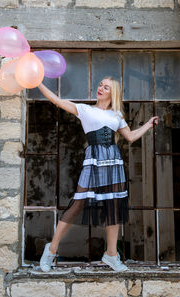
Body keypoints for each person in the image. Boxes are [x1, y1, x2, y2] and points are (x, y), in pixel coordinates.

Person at [37, 76, 159, 272]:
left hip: (113, 161)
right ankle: (50, 250)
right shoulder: (85, 110)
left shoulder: (117, 115)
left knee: (113, 205)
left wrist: (148, 124)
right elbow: (57, 101)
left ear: (113, 93)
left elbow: (130, 137)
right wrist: (38, 82)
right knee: (77, 204)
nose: (100, 88)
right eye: (100, 85)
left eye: (106, 87)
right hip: (93, 159)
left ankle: (111, 255)